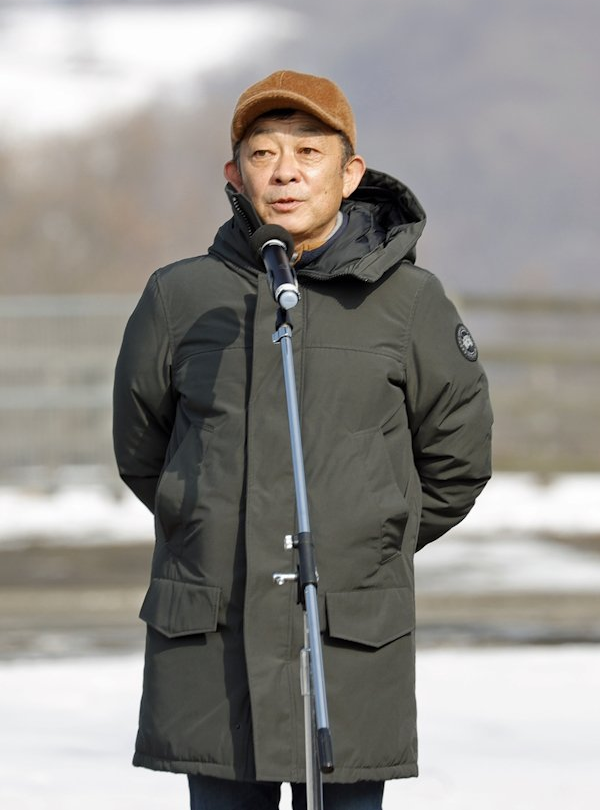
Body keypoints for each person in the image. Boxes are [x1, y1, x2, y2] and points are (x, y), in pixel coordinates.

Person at [113, 70, 493, 810]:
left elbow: (458, 460)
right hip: (212, 641)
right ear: (235, 175)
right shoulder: (179, 297)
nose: (285, 171)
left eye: (309, 152)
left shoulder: (409, 302)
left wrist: (369, 538)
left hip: (349, 642)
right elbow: (145, 450)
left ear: (350, 174)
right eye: (263, 153)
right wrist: (213, 525)